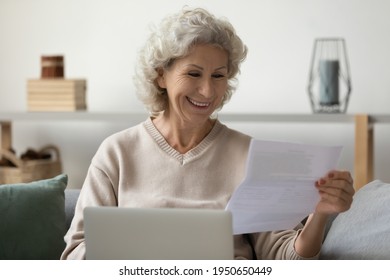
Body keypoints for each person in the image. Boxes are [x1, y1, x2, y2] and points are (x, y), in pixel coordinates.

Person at [61, 7, 354, 260]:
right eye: (193, 74)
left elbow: (283, 257)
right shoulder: (117, 152)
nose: (207, 91)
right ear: (161, 75)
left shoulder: (249, 154)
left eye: (218, 76)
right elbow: (75, 254)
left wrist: (319, 215)